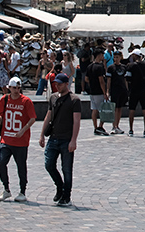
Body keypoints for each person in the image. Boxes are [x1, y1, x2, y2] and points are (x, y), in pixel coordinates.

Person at [38, 73, 82, 207]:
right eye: (56, 84)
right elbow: (48, 115)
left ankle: (66, 196)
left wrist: (73, 140)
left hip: (66, 139)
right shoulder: (53, 98)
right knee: (49, 164)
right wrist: (41, 135)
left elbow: (76, 121)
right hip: (53, 138)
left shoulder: (74, 100)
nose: (57, 86)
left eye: (60, 84)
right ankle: (59, 186)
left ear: (66, 84)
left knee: (67, 169)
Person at [0, 77, 36, 203]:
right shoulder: (5, 99)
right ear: (9, 88)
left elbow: (32, 118)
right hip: (6, 139)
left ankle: (22, 191)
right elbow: (1, 117)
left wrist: (23, 130)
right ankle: (6, 189)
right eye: (14, 88)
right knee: (1, 162)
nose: (16, 90)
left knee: (21, 166)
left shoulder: (26, 101)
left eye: (18, 88)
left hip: (20, 141)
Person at [125, 51, 145, 137]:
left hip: (133, 90)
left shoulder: (130, 66)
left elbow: (127, 78)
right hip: (143, 89)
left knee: (132, 109)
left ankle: (131, 130)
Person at [85, 50, 108, 136]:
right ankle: (100, 126)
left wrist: (91, 83)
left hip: (92, 91)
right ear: (99, 55)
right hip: (99, 91)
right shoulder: (99, 67)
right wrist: (105, 92)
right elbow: (101, 80)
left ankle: (95, 127)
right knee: (103, 110)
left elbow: (86, 79)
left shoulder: (90, 66)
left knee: (94, 109)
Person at [106, 51, 128, 134]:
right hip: (114, 89)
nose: (116, 59)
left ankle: (117, 125)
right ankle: (113, 125)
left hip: (122, 89)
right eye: (114, 57)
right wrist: (107, 91)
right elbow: (108, 80)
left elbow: (125, 79)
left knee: (119, 108)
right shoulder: (111, 68)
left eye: (117, 57)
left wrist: (127, 89)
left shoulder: (123, 67)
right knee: (114, 108)